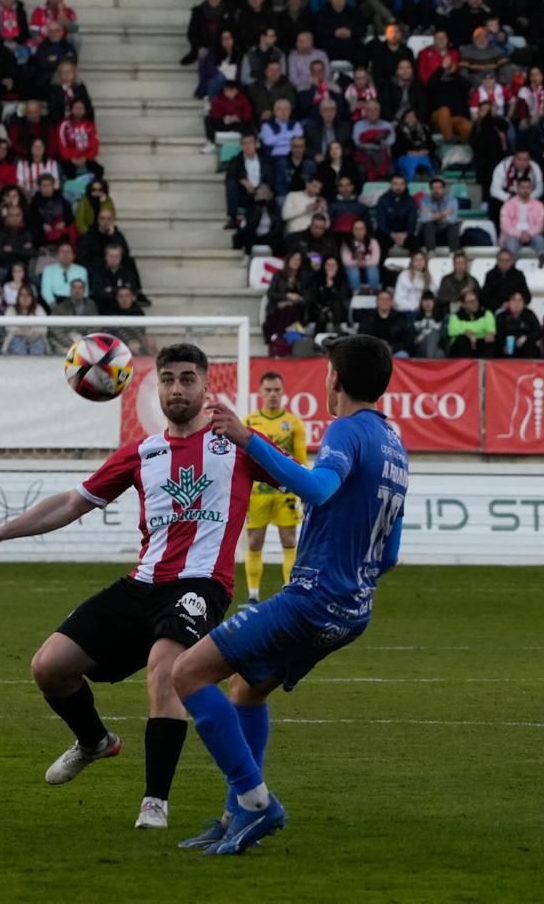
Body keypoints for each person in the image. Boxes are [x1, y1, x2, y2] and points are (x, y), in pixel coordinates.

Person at [0, 344, 281, 831]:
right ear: (155, 387)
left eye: (187, 379)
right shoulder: (142, 453)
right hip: (142, 585)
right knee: (49, 667)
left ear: (207, 385)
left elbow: (297, 480)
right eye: (167, 379)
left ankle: (155, 803)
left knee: (165, 670)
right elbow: (71, 502)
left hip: (202, 585)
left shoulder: (235, 444)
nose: (177, 389)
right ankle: (95, 742)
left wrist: (252, 440)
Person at [175, 334, 407, 855]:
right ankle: (236, 813)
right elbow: (389, 553)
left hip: (312, 601)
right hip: (353, 612)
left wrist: (246, 438)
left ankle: (257, 804)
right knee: (247, 688)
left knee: (186, 672)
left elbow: (320, 489)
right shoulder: (395, 446)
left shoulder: (347, 431)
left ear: (335, 380)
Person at [241, 371, 307, 606]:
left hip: (285, 494)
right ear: (260, 392)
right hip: (257, 494)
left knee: (289, 541)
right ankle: (252, 595)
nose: (272, 395)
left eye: (276, 390)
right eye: (268, 390)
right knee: (254, 542)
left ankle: (290, 593)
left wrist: (304, 491)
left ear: (283, 392)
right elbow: (241, 461)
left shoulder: (294, 423)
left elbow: (300, 461)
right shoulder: (248, 422)